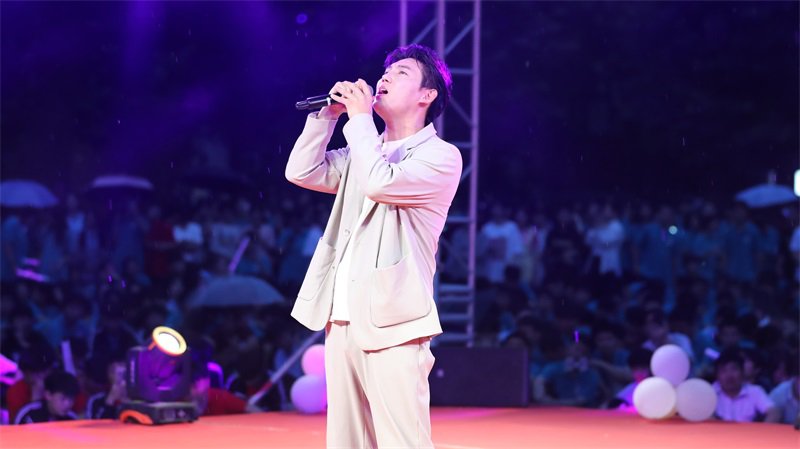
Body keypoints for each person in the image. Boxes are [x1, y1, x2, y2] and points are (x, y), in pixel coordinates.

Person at [285, 43, 459, 448]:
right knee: (346, 441)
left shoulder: (441, 157)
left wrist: (361, 119)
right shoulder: (362, 151)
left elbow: (382, 183)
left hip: (395, 321)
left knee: (402, 441)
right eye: (386, 71)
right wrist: (328, 117)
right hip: (342, 317)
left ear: (427, 95)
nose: (385, 77)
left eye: (401, 73)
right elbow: (302, 171)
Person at [713, 349, 779, 423]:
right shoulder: (710, 392)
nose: (729, 375)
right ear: (717, 376)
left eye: (734, 369)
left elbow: (774, 413)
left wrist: (762, 430)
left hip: (749, 430)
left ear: (742, 372)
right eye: (723, 371)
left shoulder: (754, 391)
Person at [14, 370, 79, 424]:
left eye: (71, 399)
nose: (67, 404)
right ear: (48, 395)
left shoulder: (72, 418)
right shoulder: (28, 414)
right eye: (62, 398)